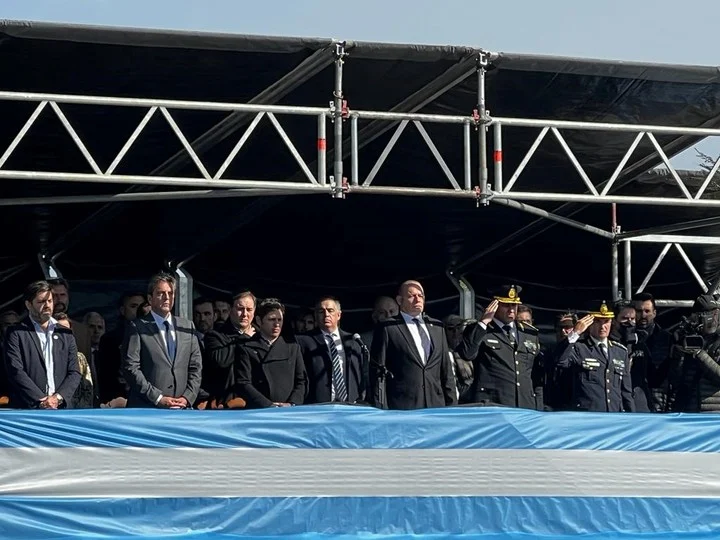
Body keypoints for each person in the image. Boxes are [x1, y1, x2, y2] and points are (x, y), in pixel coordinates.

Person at [370, 280, 457, 410]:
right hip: (403, 406)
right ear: (399, 300)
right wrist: (381, 408)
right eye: (412, 296)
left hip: (436, 406)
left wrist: (452, 406)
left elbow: (446, 371)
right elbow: (377, 372)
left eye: (420, 295)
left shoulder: (437, 327)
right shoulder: (388, 328)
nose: (418, 300)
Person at [121, 272, 202, 408]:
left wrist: (187, 397)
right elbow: (131, 368)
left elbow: (196, 367)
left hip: (181, 409)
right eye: (160, 293)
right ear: (150, 298)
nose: (166, 298)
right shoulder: (137, 327)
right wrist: (158, 398)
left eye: (170, 293)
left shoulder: (187, 327)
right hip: (147, 408)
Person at [457, 285, 544, 410]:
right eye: (506, 305)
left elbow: (535, 376)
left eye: (514, 305)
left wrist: (538, 406)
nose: (511, 310)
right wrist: (484, 322)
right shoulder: (480, 329)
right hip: (493, 403)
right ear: (494, 305)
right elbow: (467, 354)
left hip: (525, 404)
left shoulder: (529, 333)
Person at [3, 281, 80, 409]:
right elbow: (15, 370)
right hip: (28, 409)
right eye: (41, 302)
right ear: (28, 305)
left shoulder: (65, 334)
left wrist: (58, 398)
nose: (47, 306)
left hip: (61, 408)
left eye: (49, 301)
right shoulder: (16, 333)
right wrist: (42, 400)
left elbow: (74, 372)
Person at [556, 301, 635, 412]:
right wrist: (575, 333)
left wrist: (632, 418)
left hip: (614, 415)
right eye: (597, 321)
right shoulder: (579, 348)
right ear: (589, 323)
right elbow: (560, 360)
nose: (602, 326)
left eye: (606, 321)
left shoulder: (620, 351)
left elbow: (626, 392)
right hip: (588, 415)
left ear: (611, 322)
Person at [234, 298, 307, 408]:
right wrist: (268, 405)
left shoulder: (293, 348)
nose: (277, 324)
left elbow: (301, 381)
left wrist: (291, 403)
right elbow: (243, 383)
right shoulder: (246, 348)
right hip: (259, 410)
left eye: (279, 319)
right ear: (259, 321)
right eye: (272, 319)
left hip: (289, 411)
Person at [297, 296, 365, 404]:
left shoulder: (353, 341)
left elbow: (361, 374)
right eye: (321, 311)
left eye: (330, 310)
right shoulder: (303, 341)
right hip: (318, 405)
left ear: (338, 315)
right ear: (315, 316)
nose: (326, 314)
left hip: (350, 404)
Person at [202, 290, 257, 407]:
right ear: (231, 310)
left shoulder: (260, 335)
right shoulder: (215, 335)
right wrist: (244, 338)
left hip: (257, 401)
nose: (245, 314)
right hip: (227, 403)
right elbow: (221, 361)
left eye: (249, 310)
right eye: (240, 309)